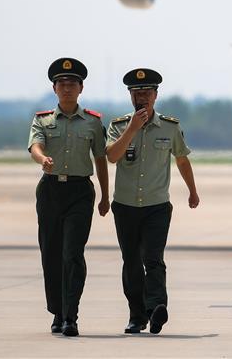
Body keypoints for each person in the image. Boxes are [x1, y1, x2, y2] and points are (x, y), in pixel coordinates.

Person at [105, 67, 199, 335]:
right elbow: (112, 156)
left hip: (157, 206)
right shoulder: (118, 126)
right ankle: (137, 315)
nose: (141, 97)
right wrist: (132, 129)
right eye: (136, 93)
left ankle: (157, 307)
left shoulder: (169, 127)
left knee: (154, 258)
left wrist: (192, 191)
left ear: (156, 95)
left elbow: (182, 159)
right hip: (125, 206)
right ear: (130, 97)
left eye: (146, 92)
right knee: (131, 261)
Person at [27, 57, 110, 337]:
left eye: (72, 84)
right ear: (54, 88)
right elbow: (35, 146)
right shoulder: (43, 120)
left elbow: (100, 159)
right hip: (50, 191)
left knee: (72, 254)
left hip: (79, 192)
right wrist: (42, 159)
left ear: (81, 88)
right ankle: (58, 312)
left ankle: (71, 315)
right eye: (62, 84)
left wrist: (105, 196)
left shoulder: (93, 122)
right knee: (51, 254)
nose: (67, 88)